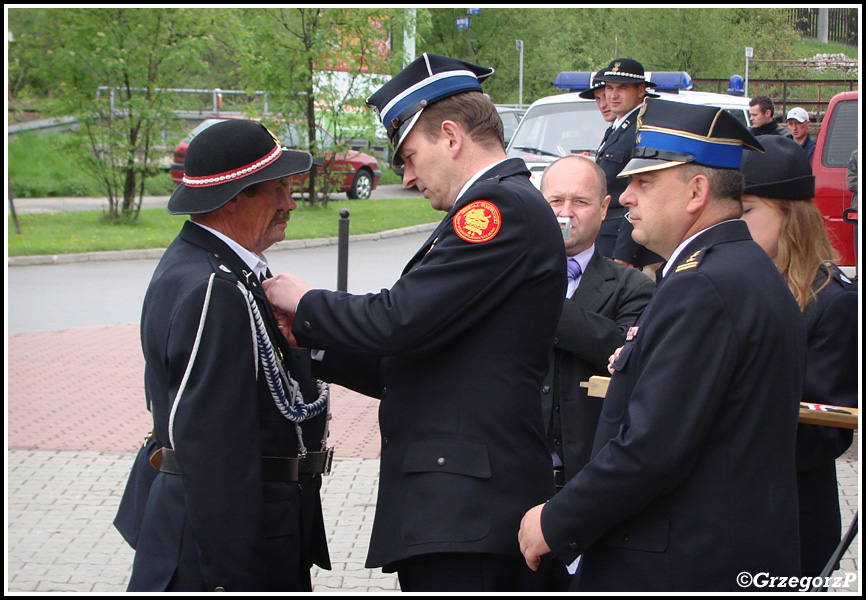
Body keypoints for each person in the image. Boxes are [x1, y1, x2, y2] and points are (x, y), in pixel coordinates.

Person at [264, 53, 565, 592]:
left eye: (409, 155)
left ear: (450, 136)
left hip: (468, 507)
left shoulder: (494, 209)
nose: (405, 176)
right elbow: (427, 354)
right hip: (462, 505)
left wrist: (306, 301)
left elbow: (400, 319)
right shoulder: (498, 205)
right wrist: (316, 347)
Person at [518, 98, 806, 591]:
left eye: (644, 181)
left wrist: (555, 520)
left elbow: (652, 448)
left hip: (683, 562)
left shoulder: (703, 286)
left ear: (696, 190)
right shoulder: (740, 268)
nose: (626, 195)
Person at [121, 119, 332, 591]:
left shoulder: (212, 268)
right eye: (277, 190)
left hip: (245, 530)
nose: (290, 203)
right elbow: (214, 450)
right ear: (234, 197)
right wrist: (230, 576)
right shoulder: (215, 286)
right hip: (224, 548)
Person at [740, 135, 858, 578]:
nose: (733, 222)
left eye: (747, 210)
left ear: (790, 215)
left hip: (789, 516)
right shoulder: (731, 285)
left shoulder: (833, 302)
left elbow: (827, 432)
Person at [539, 155, 655, 590]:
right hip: (514, 487)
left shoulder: (633, 287)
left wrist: (538, 294)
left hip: (589, 489)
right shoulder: (505, 277)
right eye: (555, 201)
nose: (565, 213)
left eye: (580, 202)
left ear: (605, 208)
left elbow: (618, 347)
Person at [594, 58, 663, 269]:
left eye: (622, 88)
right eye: (609, 88)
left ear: (641, 90)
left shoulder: (642, 130)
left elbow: (641, 192)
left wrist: (625, 252)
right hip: (608, 238)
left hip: (625, 242)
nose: (612, 96)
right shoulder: (619, 127)